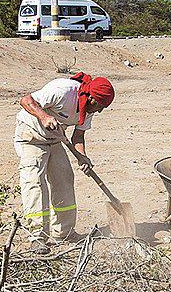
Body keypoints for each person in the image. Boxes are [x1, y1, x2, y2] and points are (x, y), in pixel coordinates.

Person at [15, 72, 115, 247]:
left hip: (54, 140)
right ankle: (37, 237)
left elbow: (78, 136)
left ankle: (64, 232)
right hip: (31, 136)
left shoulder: (88, 108)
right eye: (100, 105)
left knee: (64, 180)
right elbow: (26, 100)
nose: (99, 110)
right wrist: (44, 117)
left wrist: (82, 158)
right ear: (91, 97)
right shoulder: (63, 90)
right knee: (35, 184)